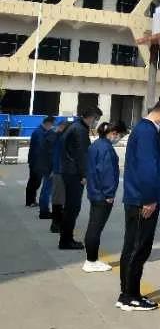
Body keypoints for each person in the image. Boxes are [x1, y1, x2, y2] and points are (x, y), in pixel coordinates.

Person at [118, 98, 160, 312]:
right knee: (138, 248)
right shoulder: (147, 132)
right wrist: (149, 199)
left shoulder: (146, 130)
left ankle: (128, 293)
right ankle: (130, 296)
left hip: (139, 197)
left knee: (134, 247)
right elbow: (147, 168)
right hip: (142, 200)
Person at [83, 121, 128, 273]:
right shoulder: (106, 149)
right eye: (120, 136)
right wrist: (109, 193)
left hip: (94, 191)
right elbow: (107, 172)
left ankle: (91, 259)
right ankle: (91, 260)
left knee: (93, 226)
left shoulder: (95, 145)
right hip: (102, 194)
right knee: (95, 228)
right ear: (114, 133)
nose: (119, 139)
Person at [60, 106, 103, 250]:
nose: (96, 122)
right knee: (73, 208)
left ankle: (65, 238)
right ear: (91, 117)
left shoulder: (75, 126)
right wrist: (84, 175)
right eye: (96, 119)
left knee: (70, 207)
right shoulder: (80, 130)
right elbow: (81, 154)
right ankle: (66, 240)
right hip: (74, 173)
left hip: (69, 171)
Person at [25, 116, 55, 208]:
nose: (52, 127)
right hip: (37, 161)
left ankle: (31, 200)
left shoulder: (40, 131)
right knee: (35, 181)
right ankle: (30, 201)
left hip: (35, 161)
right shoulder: (39, 132)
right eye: (52, 125)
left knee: (34, 181)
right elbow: (42, 148)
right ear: (48, 123)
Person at [49, 120, 69, 234]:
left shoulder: (61, 137)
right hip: (59, 171)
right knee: (58, 199)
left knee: (61, 198)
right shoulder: (57, 137)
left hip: (61, 170)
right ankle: (55, 223)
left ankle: (58, 222)